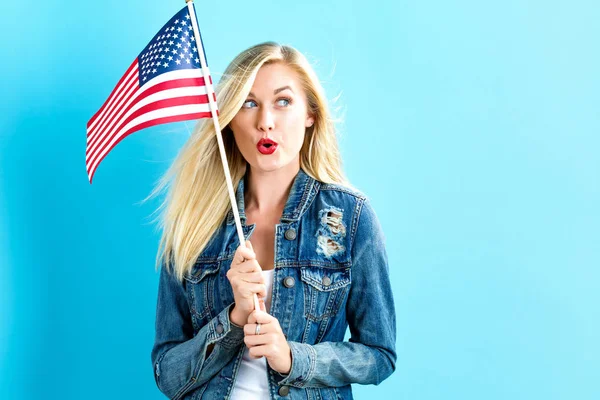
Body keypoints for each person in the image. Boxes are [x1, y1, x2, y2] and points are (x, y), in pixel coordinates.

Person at [149, 41, 396, 399]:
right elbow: (167, 375)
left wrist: (293, 357)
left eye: (283, 101)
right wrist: (234, 319)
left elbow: (379, 355)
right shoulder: (193, 224)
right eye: (249, 103)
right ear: (230, 119)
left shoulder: (350, 218)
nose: (265, 121)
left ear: (310, 113)